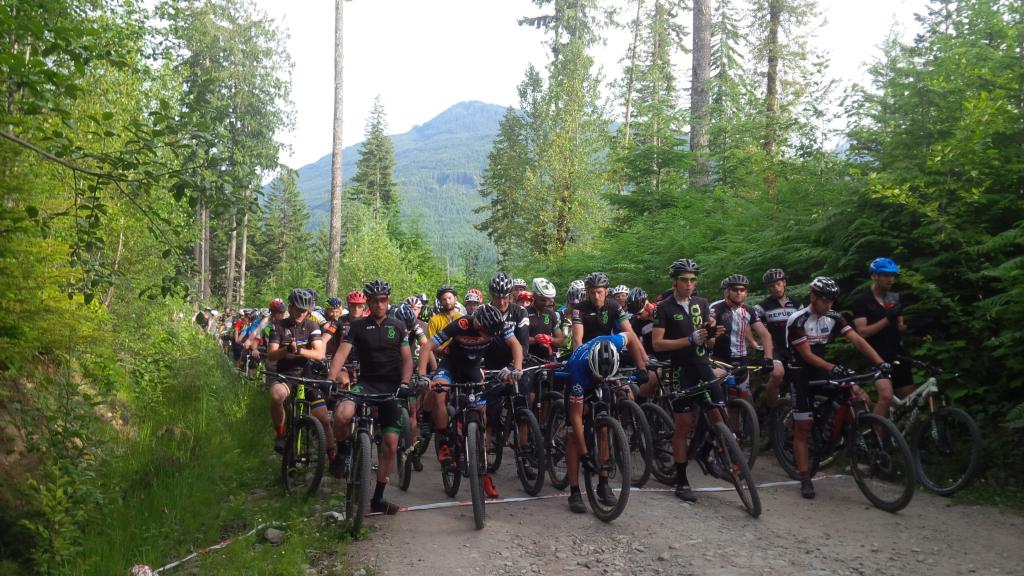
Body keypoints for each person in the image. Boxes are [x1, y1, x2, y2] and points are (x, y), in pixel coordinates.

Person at [786, 276, 893, 499]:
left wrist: (879, 362)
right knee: (803, 427)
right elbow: (806, 355)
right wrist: (834, 368)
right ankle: (805, 477)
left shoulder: (833, 316)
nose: (829, 306)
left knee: (858, 394)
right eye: (825, 301)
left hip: (822, 368)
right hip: (800, 373)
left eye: (832, 301)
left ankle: (847, 436)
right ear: (813, 297)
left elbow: (858, 340)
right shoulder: (798, 320)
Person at [415, 304, 524, 499]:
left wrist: (516, 368)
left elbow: (515, 345)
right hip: (450, 366)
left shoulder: (498, 324)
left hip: (473, 369)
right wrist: (423, 376)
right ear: (477, 322)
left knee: (480, 415)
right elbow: (427, 346)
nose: (488, 336)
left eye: (491, 334)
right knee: (439, 392)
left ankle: (482, 472)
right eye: (485, 332)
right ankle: (443, 443)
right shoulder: (462, 324)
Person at [327, 279, 411, 514]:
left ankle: (378, 498)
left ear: (388, 300)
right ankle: (343, 449)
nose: (379, 304)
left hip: (391, 388)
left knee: (391, 445)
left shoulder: (399, 325)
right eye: (374, 301)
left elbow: (407, 360)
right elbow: (341, 354)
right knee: (342, 414)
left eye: (383, 300)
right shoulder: (357, 327)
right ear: (368, 303)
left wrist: (405, 383)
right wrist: (330, 380)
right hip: (365, 385)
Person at [651, 259, 725, 503]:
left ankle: (705, 451)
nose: (690, 284)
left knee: (719, 416)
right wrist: (691, 339)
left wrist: (711, 335)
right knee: (683, 424)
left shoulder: (702, 304)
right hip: (680, 369)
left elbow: (708, 342)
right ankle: (681, 480)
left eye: (693, 280)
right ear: (674, 281)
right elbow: (658, 344)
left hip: (703, 365)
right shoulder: (663, 307)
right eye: (685, 280)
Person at [559, 335, 641, 513]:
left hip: (603, 377)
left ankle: (603, 483)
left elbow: (631, 337)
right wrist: (585, 455)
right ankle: (574, 491)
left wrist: (641, 365)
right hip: (580, 380)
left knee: (603, 430)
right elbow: (576, 417)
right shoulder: (577, 371)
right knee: (574, 435)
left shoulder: (615, 343)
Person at [267, 289, 331, 459]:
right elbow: (272, 355)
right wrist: (286, 349)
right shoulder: (279, 326)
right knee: (276, 396)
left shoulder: (312, 326)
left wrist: (300, 350)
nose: (301, 314)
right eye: (298, 310)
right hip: (286, 375)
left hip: (308, 376)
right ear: (290, 307)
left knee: (324, 419)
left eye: (305, 311)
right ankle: (280, 433)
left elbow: (319, 354)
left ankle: (333, 458)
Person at [852, 257, 913, 408]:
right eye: (886, 275)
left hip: (897, 353)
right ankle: (877, 431)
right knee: (886, 395)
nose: (891, 279)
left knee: (910, 401)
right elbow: (862, 332)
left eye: (893, 276)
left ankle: (903, 431)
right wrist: (887, 319)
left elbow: (900, 326)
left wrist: (914, 325)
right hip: (876, 355)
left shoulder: (895, 298)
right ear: (874, 276)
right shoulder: (862, 300)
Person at [710, 274, 776, 401]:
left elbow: (765, 334)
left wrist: (768, 358)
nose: (739, 292)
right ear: (727, 291)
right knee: (719, 400)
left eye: (742, 290)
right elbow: (710, 322)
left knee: (742, 400)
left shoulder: (749, 311)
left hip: (741, 360)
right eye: (735, 289)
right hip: (719, 359)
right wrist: (710, 328)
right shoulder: (717, 308)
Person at [753, 268, 801, 408]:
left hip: (794, 347)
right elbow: (752, 327)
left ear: (784, 283)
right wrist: (756, 343)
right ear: (768, 288)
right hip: (775, 348)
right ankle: (773, 411)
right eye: (772, 286)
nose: (776, 288)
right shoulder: (762, 307)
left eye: (778, 284)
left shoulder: (797, 304)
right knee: (777, 374)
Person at [526, 278, 563, 360]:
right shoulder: (523, 312)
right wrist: (536, 340)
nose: (546, 303)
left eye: (548, 300)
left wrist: (550, 339)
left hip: (547, 360)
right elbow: (518, 339)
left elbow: (560, 341)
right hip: (528, 360)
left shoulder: (551, 314)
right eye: (543, 300)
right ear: (534, 295)